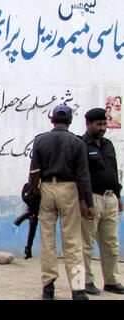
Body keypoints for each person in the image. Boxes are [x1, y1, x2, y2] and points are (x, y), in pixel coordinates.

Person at [29, 104, 94, 300]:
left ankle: (48, 288)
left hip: (47, 188)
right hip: (69, 189)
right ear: (70, 121)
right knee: (73, 241)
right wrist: (87, 202)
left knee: (47, 241)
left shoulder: (40, 141)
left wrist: (35, 195)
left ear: (52, 120)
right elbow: (83, 176)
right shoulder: (77, 143)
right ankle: (78, 289)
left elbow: (34, 174)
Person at [81, 108, 124, 295]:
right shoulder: (81, 145)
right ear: (88, 124)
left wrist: (118, 195)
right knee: (86, 244)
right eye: (99, 124)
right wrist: (85, 200)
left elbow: (113, 171)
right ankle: (86, 281)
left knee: (112, 243)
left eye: (105, 124)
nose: (103, 128)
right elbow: (81, 175)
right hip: (92, 199)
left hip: (110, 199)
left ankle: (112, 281)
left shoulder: (108, 145)